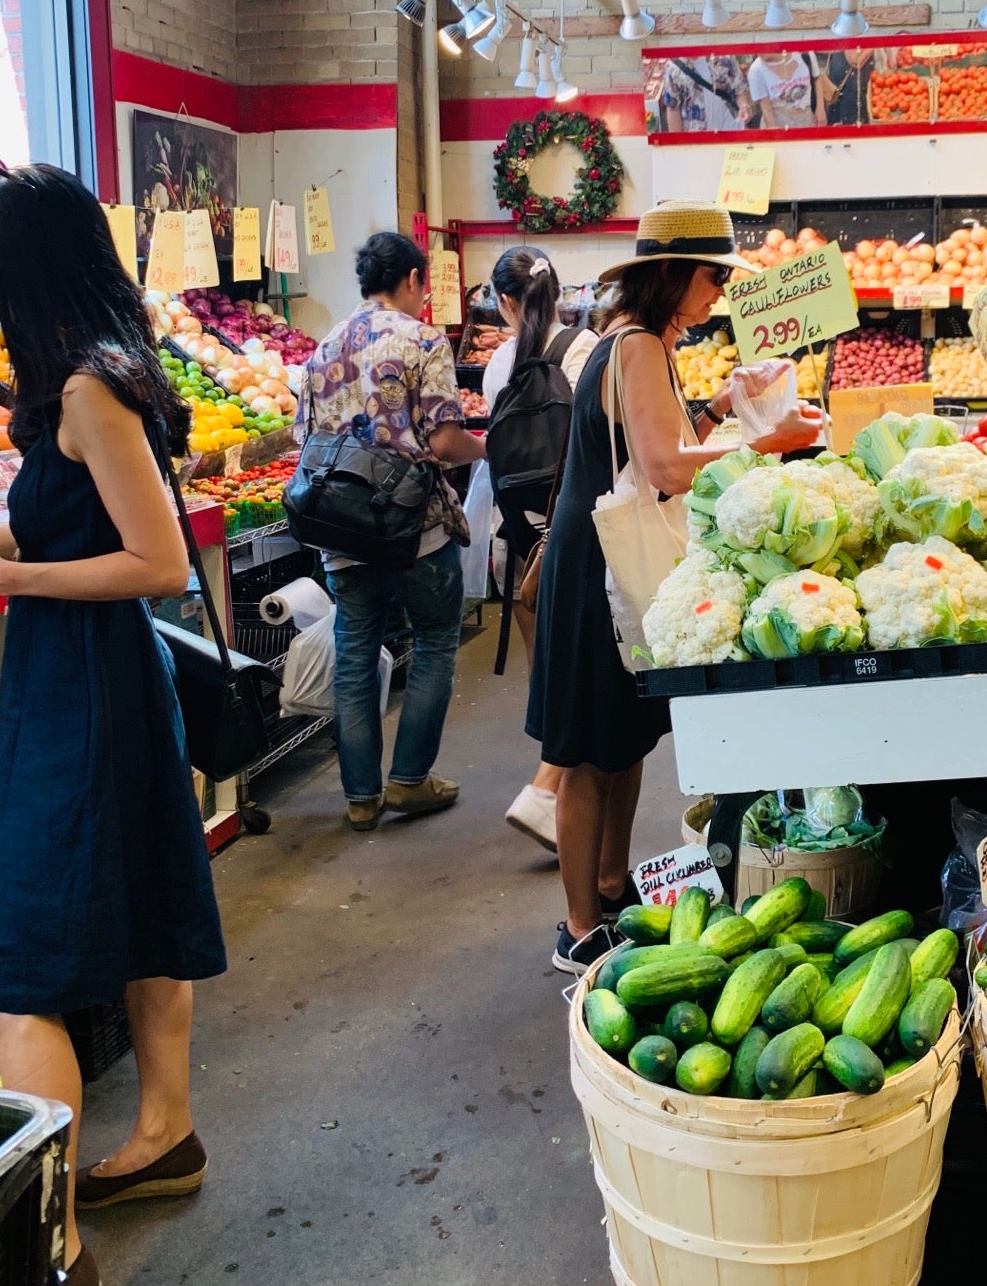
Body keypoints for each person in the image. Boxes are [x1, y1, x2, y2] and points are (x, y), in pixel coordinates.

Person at [0, 162, 228, 1286]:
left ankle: (51, 1259)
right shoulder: (96, 379)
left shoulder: (88, 396)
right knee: (151, 909)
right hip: (95, 680)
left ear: (25, 275)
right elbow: (81, 521)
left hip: (86, 691)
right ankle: (165, 1134)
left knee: (15, 977)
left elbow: (156, 560)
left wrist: (0, 574)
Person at [525, 201, 824, 972]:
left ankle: (611, 884)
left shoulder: (626, 342)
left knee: (621, 745)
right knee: (590, 755)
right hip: (602, 577)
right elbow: (662, 469)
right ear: (677, 275)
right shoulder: (639, 349)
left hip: (598, 566)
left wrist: (723, 406)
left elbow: (658, 442)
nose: (717, 294)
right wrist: (767, 440)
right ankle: (578, 927)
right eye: (711, 277)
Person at [298, 232, 485, 830]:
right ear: (410, 278)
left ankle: (360, 797)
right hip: (413, 527)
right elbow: (443, 441)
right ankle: (407, 781)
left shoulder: (323, 347)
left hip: (341, 529)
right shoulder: (421, 339)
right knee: (433, 638)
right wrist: (487, 448)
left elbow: (307, 440)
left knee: (354, 652)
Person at [482, 249, 597, 853]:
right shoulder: (583, 349)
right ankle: (550, 793)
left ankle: (551, 790)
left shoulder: (498, 361)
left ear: (504, 301)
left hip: (520, 543)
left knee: (547, 674)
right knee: (580, 675)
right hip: (571, 539)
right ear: (559, 295)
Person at [747, 51, 820, 130]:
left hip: (807, 118)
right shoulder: (756, 70)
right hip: (779, 122)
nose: (759, 51)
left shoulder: (805, 54)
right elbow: (765, 107)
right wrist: (772, 129)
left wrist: (820, 109)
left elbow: (817, 77)